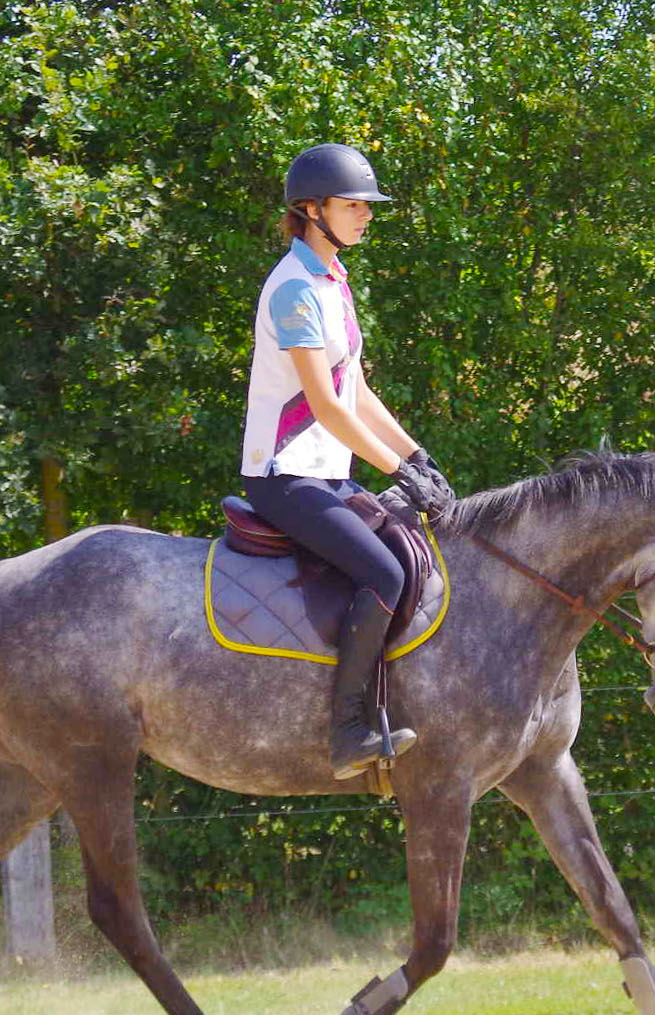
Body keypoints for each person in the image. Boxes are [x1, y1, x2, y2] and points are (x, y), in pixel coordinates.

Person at [241, 142, 456, 779]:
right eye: (353, 205)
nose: (366, 215)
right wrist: (396, 471)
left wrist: (418, 454)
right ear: (311, 210)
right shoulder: (294, 292)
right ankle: (346, 732)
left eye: (367, 206)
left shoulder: (333, 281)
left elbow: (356, 391)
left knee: (414, 552)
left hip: (329, 472)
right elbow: (328, 409)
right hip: (283, 477)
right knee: (384, 576)